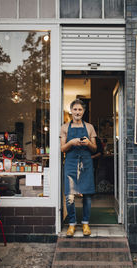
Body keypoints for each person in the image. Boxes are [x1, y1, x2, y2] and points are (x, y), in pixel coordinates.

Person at [60, 99, 97, 237]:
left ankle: (86, 223)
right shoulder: (64, 127)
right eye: (75, 109)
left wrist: (88, 143)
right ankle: (72, 224)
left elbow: (95, 149)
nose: (77, 112)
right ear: (71, 111)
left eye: (80, 110)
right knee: (69, 196)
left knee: (87, 195)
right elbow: (62, 148)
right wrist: (71, 142)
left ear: (83, 111)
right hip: (70, 162)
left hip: (86, 163)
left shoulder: (89, 127)